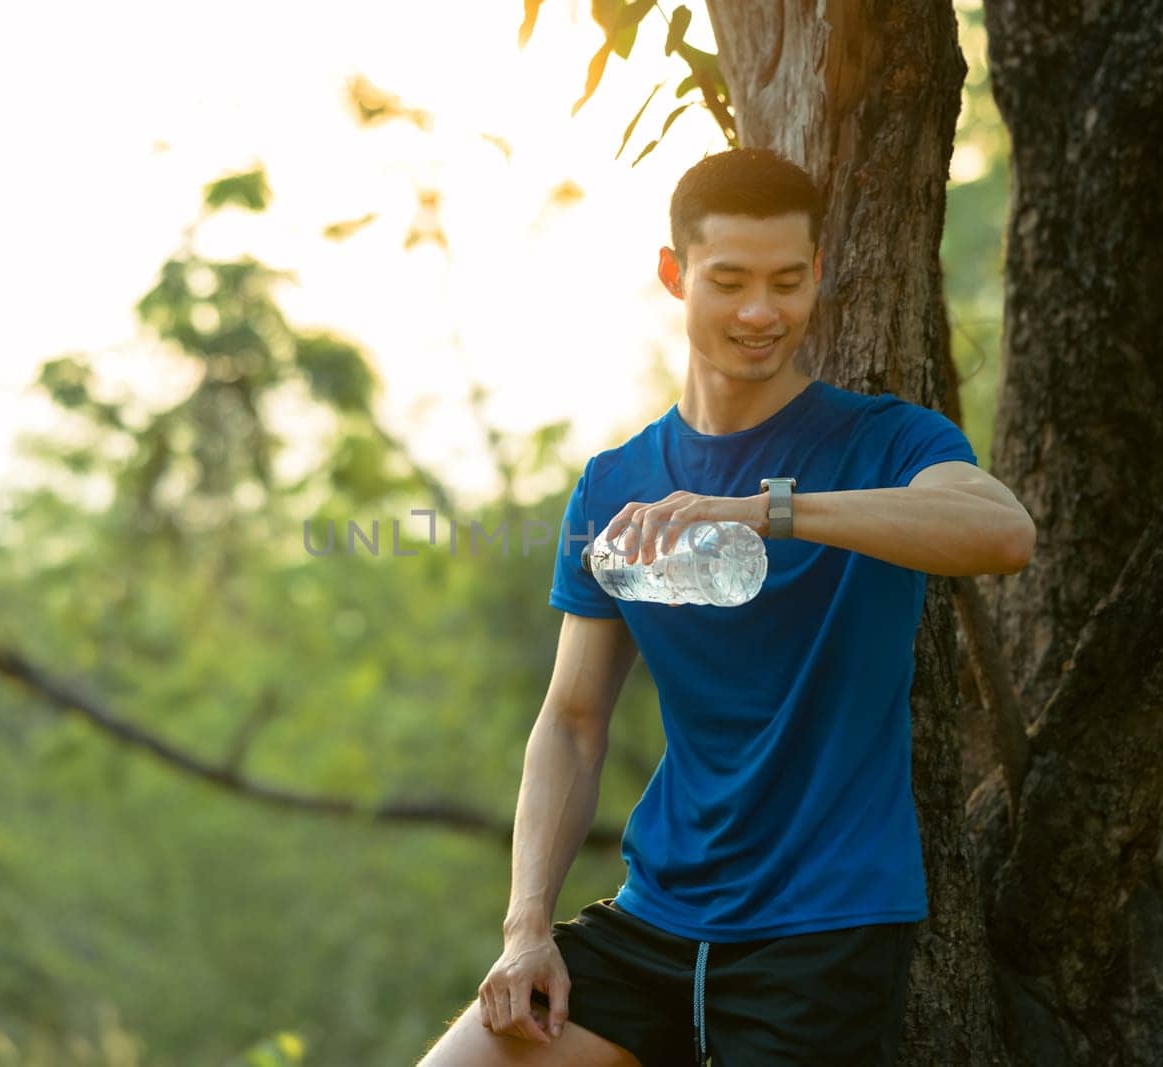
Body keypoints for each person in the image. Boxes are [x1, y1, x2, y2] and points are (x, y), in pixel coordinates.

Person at [417, 148, 1035, 1066]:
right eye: (730, 280)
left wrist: (766, 510)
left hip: (824, 932)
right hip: (655, 919)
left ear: (819, 272)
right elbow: (575, 721)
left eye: (788, 281)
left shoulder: (887, 441)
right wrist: (525, 928)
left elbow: (1002, 532)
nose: (761, 311)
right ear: (675, 274)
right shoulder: (615, 487)